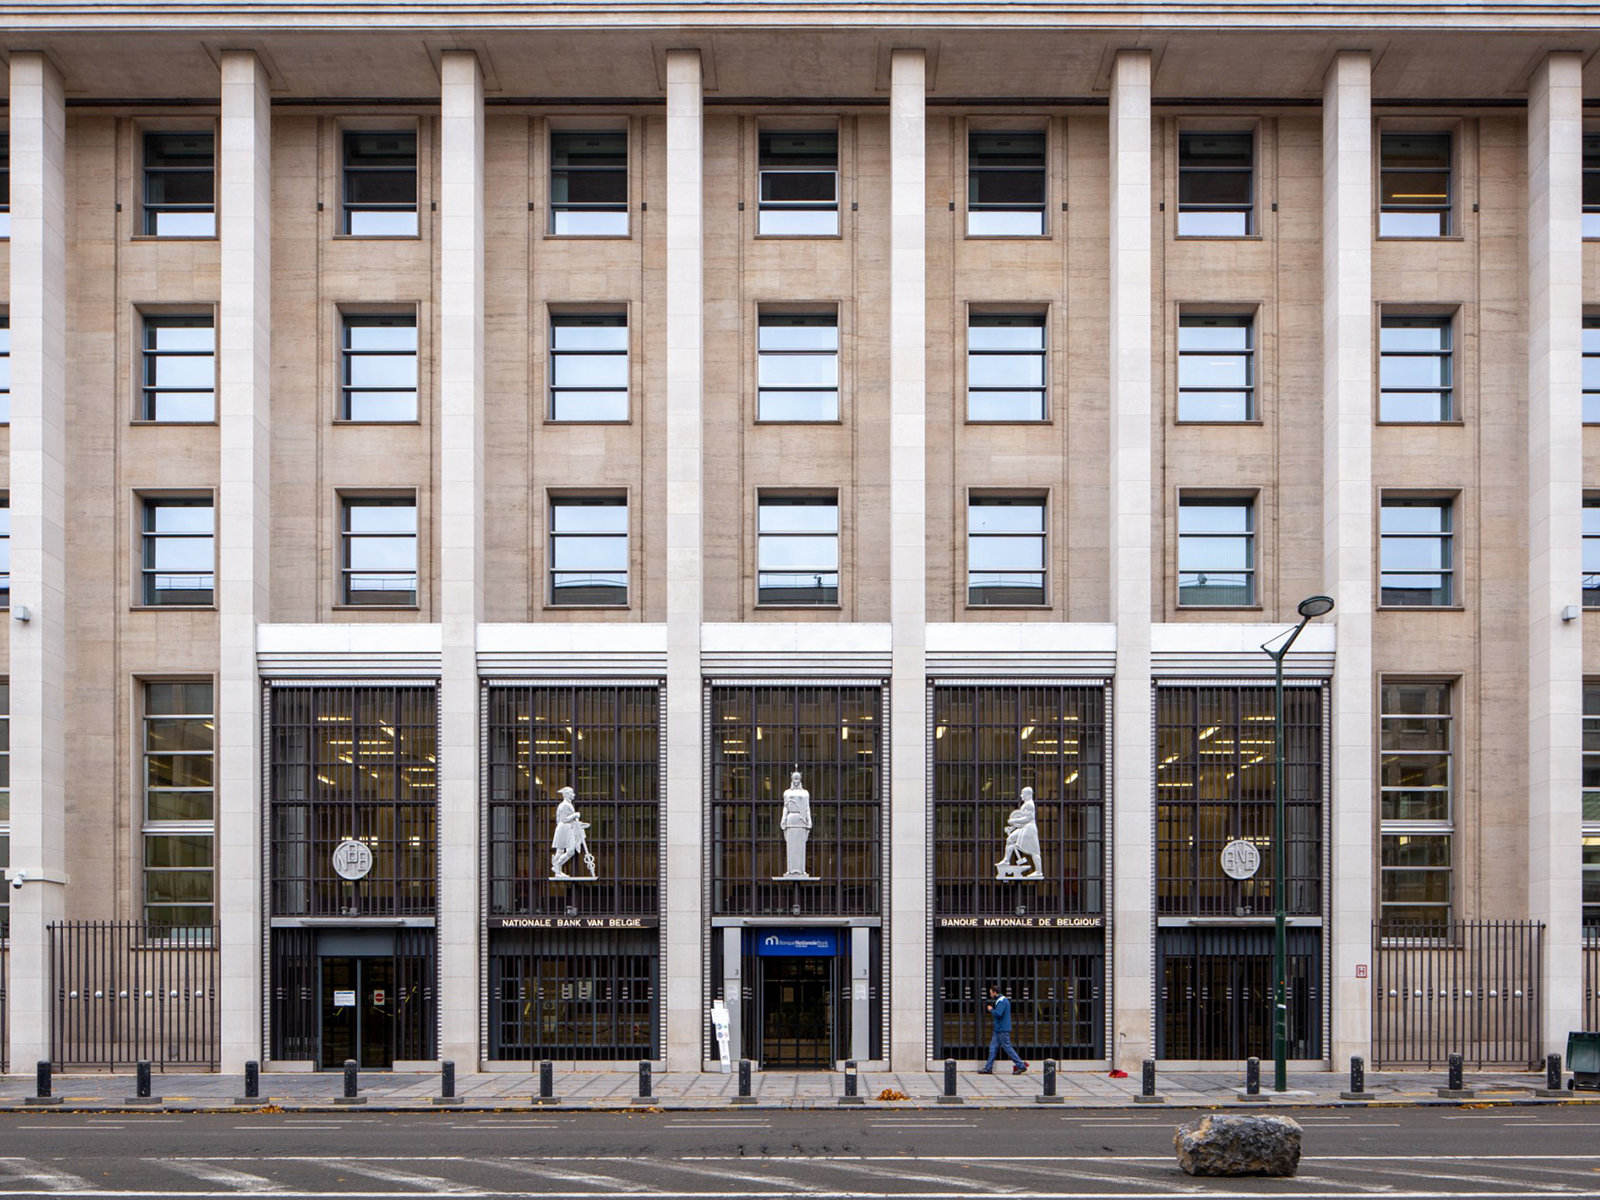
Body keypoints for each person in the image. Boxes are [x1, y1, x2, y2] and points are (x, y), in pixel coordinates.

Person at [978, 983, 1028, 1075]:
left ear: (995, 992)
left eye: (991, 993)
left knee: (1007, 1048)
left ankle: (1021, 1066)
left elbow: (999, 1014)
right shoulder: (1002, 1000)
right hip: (998, 1029)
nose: (990, 994)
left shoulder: (1002, 1001)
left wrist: (991, 1010)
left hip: (1002, 1029)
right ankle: (988, 1068)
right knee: (993, 1048)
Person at [996, 786, 1043, 877]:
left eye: (1023, 793)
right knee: (1010, 840)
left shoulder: (1029, 804)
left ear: (1028, 794)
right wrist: (1012, 827)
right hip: (1023, 828)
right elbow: (1021, 818)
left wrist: (1014, 821)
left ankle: (1038, 871)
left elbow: (1028, 818)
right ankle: (1006, 860)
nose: (1021, 795)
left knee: (1034, 851)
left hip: (1029, 829)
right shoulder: (1026, 804)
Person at [551, 786, 593, 880]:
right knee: (569, 851)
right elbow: (564, 819)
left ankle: (557, 869)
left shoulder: (564, 804)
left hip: (563, 828)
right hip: (565, 829)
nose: (573, 795)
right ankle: (557, 867)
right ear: (566, 794)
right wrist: (575, 815)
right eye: (571, 793)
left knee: (561, 850)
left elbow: (560, 820)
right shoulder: (565, 805)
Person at [779, 770, 813, 877]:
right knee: (791, 846)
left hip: (801, 820)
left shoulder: (805, 793)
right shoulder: (787, 793)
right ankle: (790, 869)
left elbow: (807, 808)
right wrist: (783, 819)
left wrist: (809, 819)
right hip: (791, 819)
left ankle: (801, 870)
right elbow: (785, 807)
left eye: (798, 779)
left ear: (800, 779)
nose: (796, 781)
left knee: (801, 846)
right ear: (792, 779)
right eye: (794, 779)